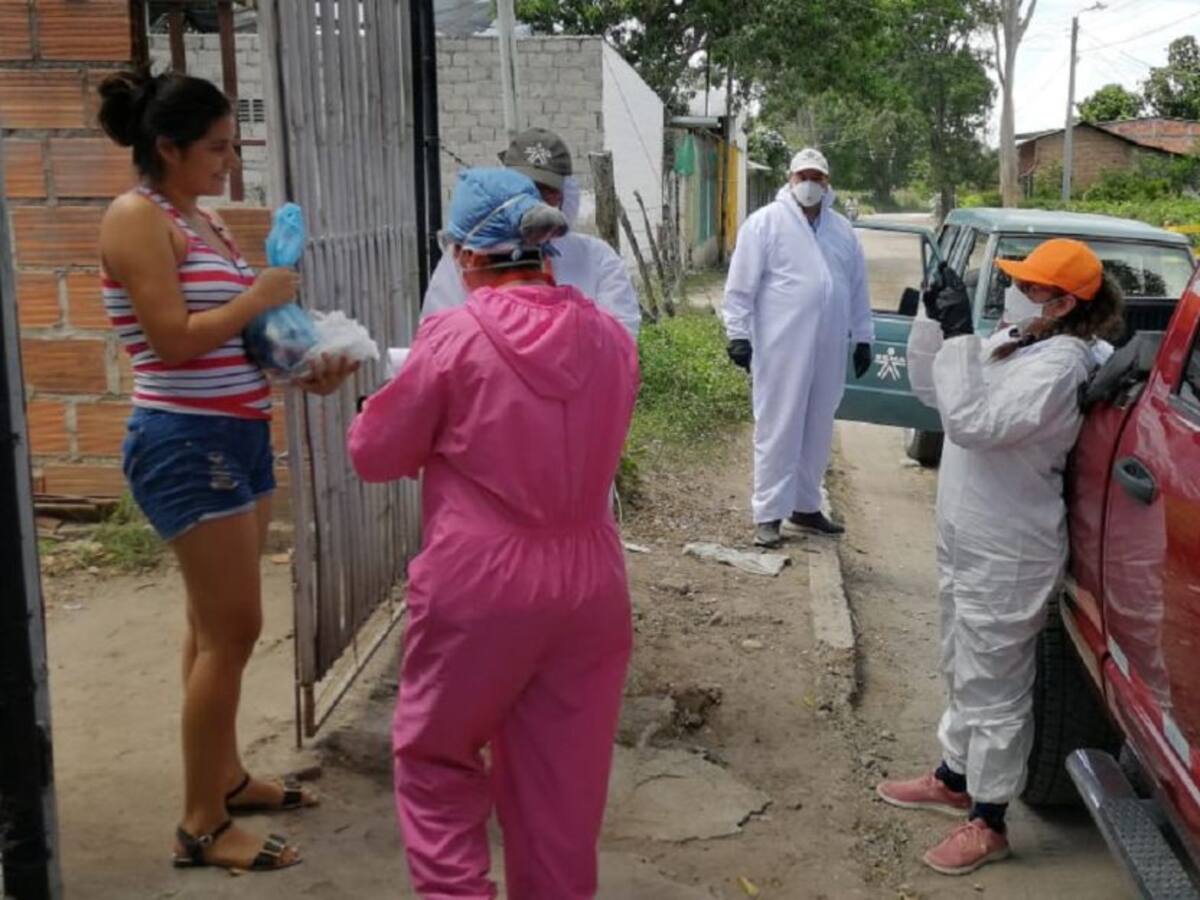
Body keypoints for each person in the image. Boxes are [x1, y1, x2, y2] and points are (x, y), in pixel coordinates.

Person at [347, 168, 639, 899]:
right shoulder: (610, 338)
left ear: (467, 256)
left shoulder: (454, 337)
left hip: (483, 581)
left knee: (438, 757)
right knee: (562, 791)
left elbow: (377, 455)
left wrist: (366, 403)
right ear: (544, 251)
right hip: (592, 579)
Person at [97, 68, 357, 872]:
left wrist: (301, 365)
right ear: (166, 148)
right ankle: (201, 826)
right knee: (235, 630)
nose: (228, 160)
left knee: (210, 630)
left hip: (238, 432)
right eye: (214, 147)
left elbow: (233, 338)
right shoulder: (135, 219)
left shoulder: (200, 220)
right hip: (185, 439)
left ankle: (225, 777)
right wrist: (259, 298)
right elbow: (172, 340)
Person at [876, 239, 1125, 876]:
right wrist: (934, 320)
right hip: (969, 532)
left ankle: (988, 820)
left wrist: (961, 331)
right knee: (961, 659)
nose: (1015, 290)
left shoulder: (1062, 365)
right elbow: (938, 395)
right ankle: (953, 775)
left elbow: (975, 424)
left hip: (1008, 545)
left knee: (996, 687)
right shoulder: (1023, 338)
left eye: (1030, 284)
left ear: (1066, 302)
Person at [723, 147, 873, 548]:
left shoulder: (842, 230)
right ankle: (768, 513)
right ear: (790, 180)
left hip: (829, 345)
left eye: (817, 178)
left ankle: (805, 506)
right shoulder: (765, 224)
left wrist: (863, 336)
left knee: (819, 424)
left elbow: (857, 287)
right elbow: (740, 287)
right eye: (802, 176)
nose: (810, 184)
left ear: (827, 183)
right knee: (778, 425)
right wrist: (737, 334)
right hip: (781, 346)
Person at [421, 127, 642, 338]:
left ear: (566, 193)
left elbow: (620, 339)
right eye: (524, 188)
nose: (534, 200)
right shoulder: (469, 258)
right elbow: (438, 332)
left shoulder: (597, 258)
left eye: (547, 190)